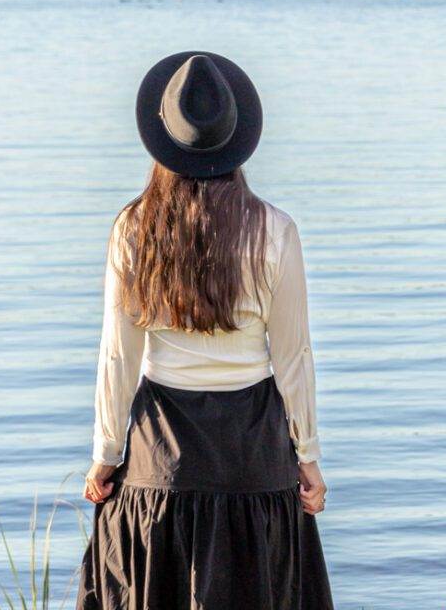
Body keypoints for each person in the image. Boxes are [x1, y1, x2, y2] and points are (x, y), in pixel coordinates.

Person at [76, 50, 333, 610]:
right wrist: (308, 457)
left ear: (162, 139)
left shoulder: (133, 228)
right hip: (254, 451)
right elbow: (294, 357)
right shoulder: (275, 230)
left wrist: (105, 455)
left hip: (159, 454)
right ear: (237, 138)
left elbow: (117, 356)